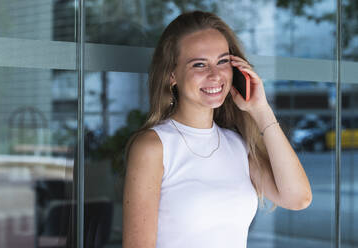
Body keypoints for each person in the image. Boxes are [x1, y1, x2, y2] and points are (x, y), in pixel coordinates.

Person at [122, 10, 312, 248]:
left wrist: (261, 110)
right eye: (199, 64)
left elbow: (298, 198)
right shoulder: (153, 146)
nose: (215, 75)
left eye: (223, 61)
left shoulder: (237, 144)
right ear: (172, 75)